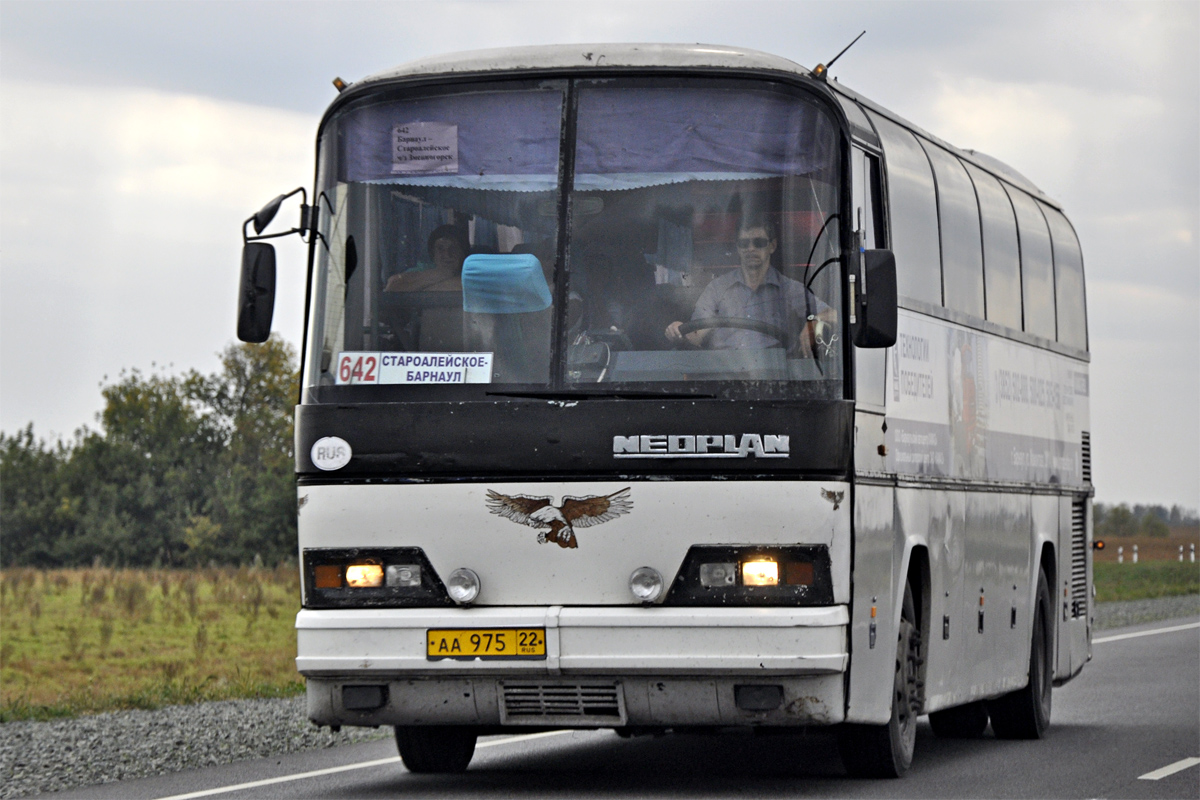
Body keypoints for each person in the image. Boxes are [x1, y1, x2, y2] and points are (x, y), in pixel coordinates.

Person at [664, 217, 835, 355]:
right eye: (744, 244)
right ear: (738, 248)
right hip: (723, 375)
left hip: (776, 378)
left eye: (759, 242)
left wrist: (813, 322)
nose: (750, 249)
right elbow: (697, 335)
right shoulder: (716, 289)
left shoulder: (790, 289)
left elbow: (834, 315)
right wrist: (679, 331)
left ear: (772, 246)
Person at [384, 224, 469, 292]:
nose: (447, 255)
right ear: (432, 253)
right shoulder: (422, 270)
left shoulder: (472, 270)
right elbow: (392, 287)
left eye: (453, 248)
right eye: (440, 249)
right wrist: (443, 273)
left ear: (462, 252)